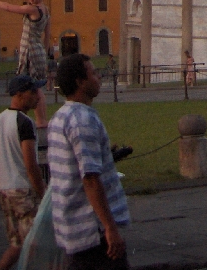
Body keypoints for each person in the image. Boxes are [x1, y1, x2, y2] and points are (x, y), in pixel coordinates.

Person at [47, 53, 130, 269]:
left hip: (72, 227)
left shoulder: (59, 117)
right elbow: (90, 179)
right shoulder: (82, 120)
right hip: (92, 231)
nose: (99, 76)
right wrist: (110, 228)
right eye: (93, 73)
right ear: (80, 82)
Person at [0, 75, 46, 270]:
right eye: (33, 92)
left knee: (17, 244)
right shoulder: (24, 122)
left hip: (5, 189)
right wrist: (43, 192)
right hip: (22, 190)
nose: (38, 97)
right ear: (19, 94)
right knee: (37, 243)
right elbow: (30, 165)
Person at [0, 0, 50, 127]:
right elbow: (47, 35)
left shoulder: (33, 9)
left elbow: (10, 7)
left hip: (30, 51)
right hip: (38, 51)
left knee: (24, 86)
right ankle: (41, 121)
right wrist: (45, 54)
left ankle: (28, 119)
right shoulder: (46, 10)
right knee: (35, 87)